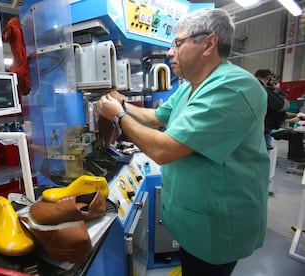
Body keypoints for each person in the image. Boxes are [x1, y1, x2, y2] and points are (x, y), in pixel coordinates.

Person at [99, 8, 269, 276]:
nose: (169, 52)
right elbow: (156, 116)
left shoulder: (232, 87)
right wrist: (123, 104)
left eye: (177, 43)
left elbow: (163, 150)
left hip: (218, 226)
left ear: (209, 44)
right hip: (195, 221)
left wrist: (119, 117)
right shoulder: (193, 86)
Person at [254, 69, 288, 149]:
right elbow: (283, 105)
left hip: (251, 127)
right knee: (262, 154)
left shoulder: (249, 86)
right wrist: (277, 90)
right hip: (263, 127)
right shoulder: (263, 90)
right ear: (268, 78)